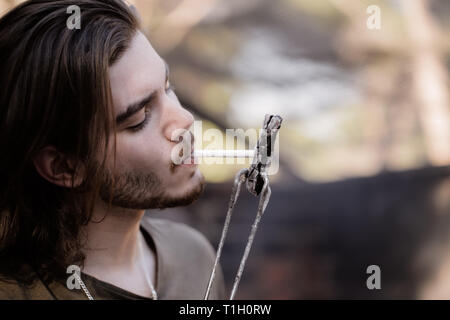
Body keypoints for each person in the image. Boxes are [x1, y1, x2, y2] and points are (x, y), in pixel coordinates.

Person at [0, 0, 225, 300]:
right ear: (63, 167)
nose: (184, 120)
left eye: (168, 87)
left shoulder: (193, 257)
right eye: (140, 118)